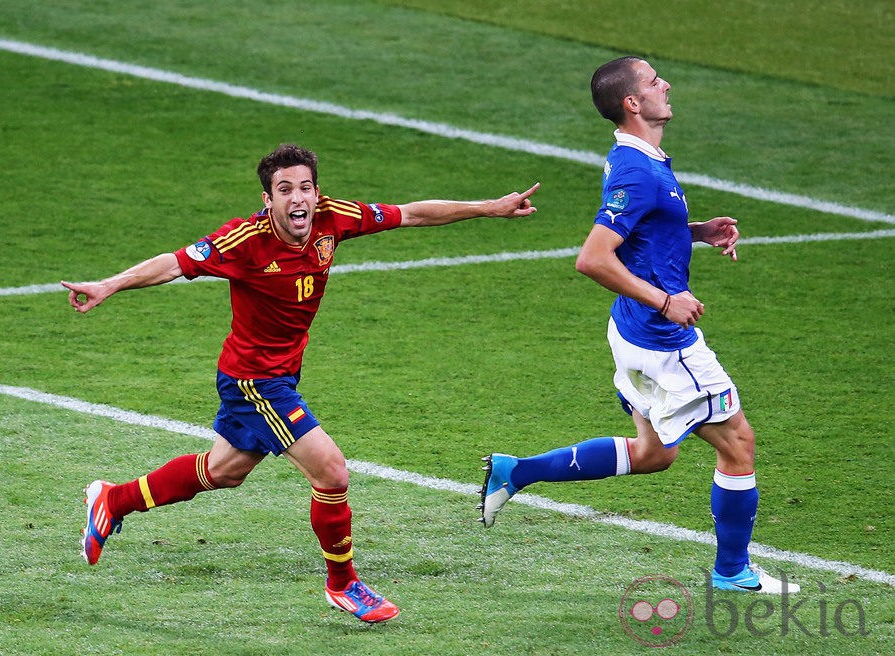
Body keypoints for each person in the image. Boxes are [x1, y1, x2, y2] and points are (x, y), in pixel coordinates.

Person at [62, 143, 539, 624]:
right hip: (255, 381)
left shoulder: (334, 218)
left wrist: (489, 208)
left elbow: (412, 214)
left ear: (317, 193)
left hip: (279, 373)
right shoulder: (242, 241)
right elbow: (173, 263)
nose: (298, 200)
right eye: (284, 190)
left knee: (224, 470)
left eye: (305, 188)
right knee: (331, 472)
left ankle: (113, 499)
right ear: (267, 199)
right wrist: (109, 284)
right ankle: (344, 584)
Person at [478, 57, 799, 595]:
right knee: (738, 443)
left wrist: (694, 231)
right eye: (653, 82)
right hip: (660, 340)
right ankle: (732, 571)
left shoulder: (641, 160)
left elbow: (643, 229)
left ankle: (518, 471)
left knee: (654, 454)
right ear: (632, 103)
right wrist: (665, 300)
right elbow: (594, 258)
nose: (665, 84)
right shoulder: (636, 169)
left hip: (628, 332)